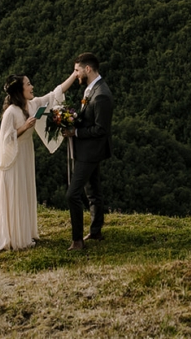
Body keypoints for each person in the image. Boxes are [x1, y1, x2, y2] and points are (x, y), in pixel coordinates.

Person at [0, 68, 78, 253]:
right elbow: (5, 140)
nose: (32, 86)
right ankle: (13, 236)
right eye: (28, 84)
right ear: (19, 90)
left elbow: (55, 94)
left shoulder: (33, 105)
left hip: (26, 154)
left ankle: (24, 232)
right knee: (15, 191)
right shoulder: (11, 112)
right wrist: (24, 127)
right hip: (13, 158)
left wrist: (74, 75)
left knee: (24, 190)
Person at [65, 52, 114, 251]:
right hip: (87, 150)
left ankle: (77, 240)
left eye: (77, 70)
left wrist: (75, 131)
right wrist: (70, 117)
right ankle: (95, 231)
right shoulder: (90, 89)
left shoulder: (101, 95)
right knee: (93, 190)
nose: (75, 74)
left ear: (88, 69)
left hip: (90, 152)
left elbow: (101, 129)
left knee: (72, 194)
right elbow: (87, 117)